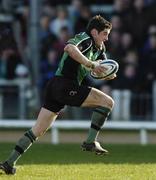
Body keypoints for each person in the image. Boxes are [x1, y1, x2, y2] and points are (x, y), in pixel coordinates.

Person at [0, 15, 116, 175]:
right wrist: (90, 64)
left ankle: (9, 162)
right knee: (107, 102)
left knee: (37, 131)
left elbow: (102, 66)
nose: (107, 38)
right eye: (105, 34)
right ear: (94, 32)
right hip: (65, 85)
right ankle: (90, 141)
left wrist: (107, 74)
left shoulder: (100, 48)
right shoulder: (86, 39)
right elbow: (69, 48)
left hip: (55, 86)